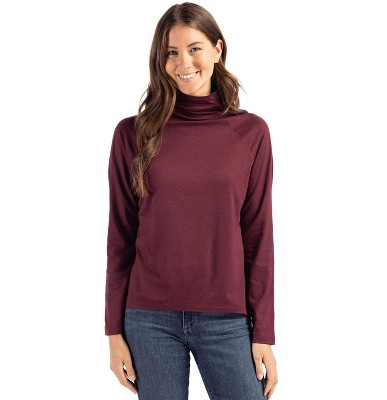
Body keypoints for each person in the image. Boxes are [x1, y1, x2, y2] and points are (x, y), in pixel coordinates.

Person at [105, 2, 278, 399]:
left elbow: (258, 237)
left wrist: (264, 333)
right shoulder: (132, 134)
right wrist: (113, 332)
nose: (183, 62)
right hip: (148, 319)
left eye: (194, 48)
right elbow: (120, 238)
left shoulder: (251, 133)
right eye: (171, 52)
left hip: (227, 318)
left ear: (218, 49)